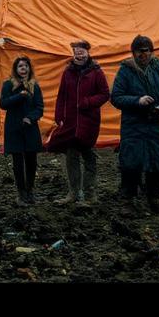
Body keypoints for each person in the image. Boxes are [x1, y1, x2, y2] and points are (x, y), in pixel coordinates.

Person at [110, 35, 159, 213]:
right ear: (133, 53)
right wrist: (137, 101)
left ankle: (155, 197)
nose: (144, 54)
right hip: (134, 125)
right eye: (140, 51)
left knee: (157, 162)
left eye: (147, 50)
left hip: (156, 125)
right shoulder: (126, 71)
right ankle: (128, 199)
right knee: (131, 163)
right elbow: (116, 97)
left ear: (152, 51)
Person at [45, 39, 110, 206]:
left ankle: (90, 194)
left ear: (88, 52)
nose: (79, 53)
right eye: (76, 50)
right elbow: (62, 96)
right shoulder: (68, 72)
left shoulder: (96, 72)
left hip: (89, 121)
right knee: (71, 155)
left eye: (82, 50)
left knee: (89, 155)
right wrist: (59, 115)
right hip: (71, 121)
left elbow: (104, 94)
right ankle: (73, 193)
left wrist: (88, 102)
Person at [0, 56, 45, 205]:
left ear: (29, 69)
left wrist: (30, 118)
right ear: (16, 69)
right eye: (20, 66)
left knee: (31, 160)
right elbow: (3, 104)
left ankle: (30, 191)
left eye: (26, 66)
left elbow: (39, 107)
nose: (23, 68)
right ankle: (21, 193)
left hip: (30, 127)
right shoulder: (8, 85)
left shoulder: (34, 86)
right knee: (18, 162)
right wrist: (20, 96)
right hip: (14, 128)